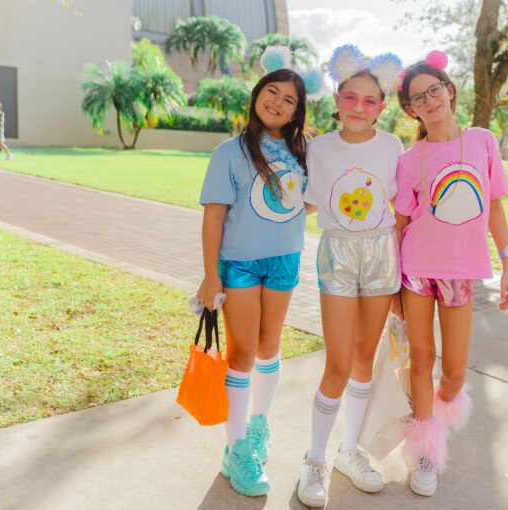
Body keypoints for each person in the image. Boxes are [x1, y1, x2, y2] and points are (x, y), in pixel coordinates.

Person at [196, 47, 320, 498]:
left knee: (270, 347)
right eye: (272, 92)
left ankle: (259, 428)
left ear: (297, 111)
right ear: (256, 95)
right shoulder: (229, 152)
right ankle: (235, 450)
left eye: (290, 100)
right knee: (243, 353)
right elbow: (213, 218)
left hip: (285, 258)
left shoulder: (303, 152)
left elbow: (310, 199)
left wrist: (293, 217)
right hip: (239, 264)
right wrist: (211, 276)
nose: (279, 103)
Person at [393, 51, 508, 497]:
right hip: (416, 270)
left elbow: (495, 205)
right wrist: (392, 287)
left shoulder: (482, 141)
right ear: (410, 109)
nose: (429, 100)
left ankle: (436, 415)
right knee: (422, 358)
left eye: (434, 90)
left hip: (462, 273)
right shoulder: (410, 159)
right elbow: (401, 223)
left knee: (457, 372)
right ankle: (425, 446)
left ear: (449, 90)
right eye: (417, 97)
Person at [296, 45, 404, 508]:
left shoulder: (392, 146)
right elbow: (305, 205)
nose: (360, 108)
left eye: (370, 101)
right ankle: (315, 458)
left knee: (364, 358)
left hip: (382, 254)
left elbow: (401, 209)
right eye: (351, 97)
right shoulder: (318, 148)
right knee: (338, 364)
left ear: (383, 107)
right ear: (337, 98)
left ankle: (348, 450)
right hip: (337, 253)